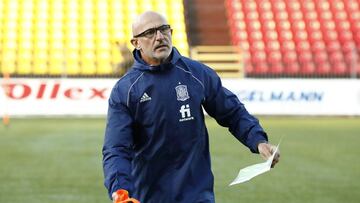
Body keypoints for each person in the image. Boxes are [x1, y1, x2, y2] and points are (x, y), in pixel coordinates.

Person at [102, 11, 280, 203]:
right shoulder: (126, 90)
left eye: (163, 29)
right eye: (150, 32)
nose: (160, 37)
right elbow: (116, 148)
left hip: (196, 195)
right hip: (149, 196)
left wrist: (258, 140)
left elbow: (232, 112)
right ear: (136, 43)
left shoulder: (196, 74)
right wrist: (120, 190)